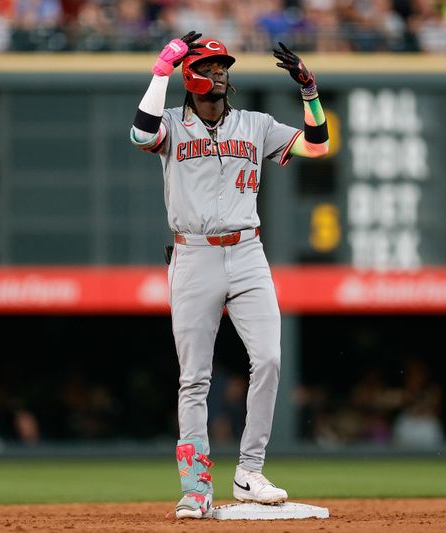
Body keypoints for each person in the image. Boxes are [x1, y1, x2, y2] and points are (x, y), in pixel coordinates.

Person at [129, 31, 329, 518]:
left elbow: (317, 148)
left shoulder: (256, 125)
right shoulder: (172, 125)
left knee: (271, 360)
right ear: (191, 76)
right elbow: (139, 134)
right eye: (212, 65)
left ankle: (249, 472)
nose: (221, 72)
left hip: (247, 252)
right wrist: (160, 71)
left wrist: (311, 94)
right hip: (193, 254)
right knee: (195, 377)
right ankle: (196, 486)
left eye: (224, 66)